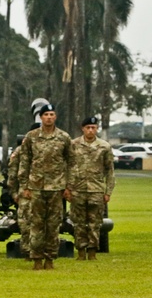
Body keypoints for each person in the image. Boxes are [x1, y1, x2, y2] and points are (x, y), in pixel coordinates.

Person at [17, 104, 72, 270]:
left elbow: (71, 162)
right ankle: (36, 258)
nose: (49, 117)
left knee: (54, 225)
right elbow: (25, 162)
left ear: (55, 117)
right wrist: (24, 186)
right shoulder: (32, 136)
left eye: (52, 114)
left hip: (56, 187)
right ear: (41, 117)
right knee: (36, 224)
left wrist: (68, 186)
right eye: (46, 114)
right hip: (36, 187)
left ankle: (50, 259)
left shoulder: (64, 137)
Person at [66, 116, 115, 261]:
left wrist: (108, 191)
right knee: (78, 222)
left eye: (93, 127)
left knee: (95, 222)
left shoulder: (104, 146)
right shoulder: (73, 145)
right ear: (83, 129)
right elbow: (66, 167)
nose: (90, 130)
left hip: (96, 189)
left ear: (97, 128)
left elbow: (110, 171)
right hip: (77, 189)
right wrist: (67, 188)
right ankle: (81, 251)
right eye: (88, 127)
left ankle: (92, 251)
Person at [6, 133, 32, 259]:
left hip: (46, 191)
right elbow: (12, 173)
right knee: (25, 221)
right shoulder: (20, 151)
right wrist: (14, 192)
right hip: (25, 191)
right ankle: (27, 251)